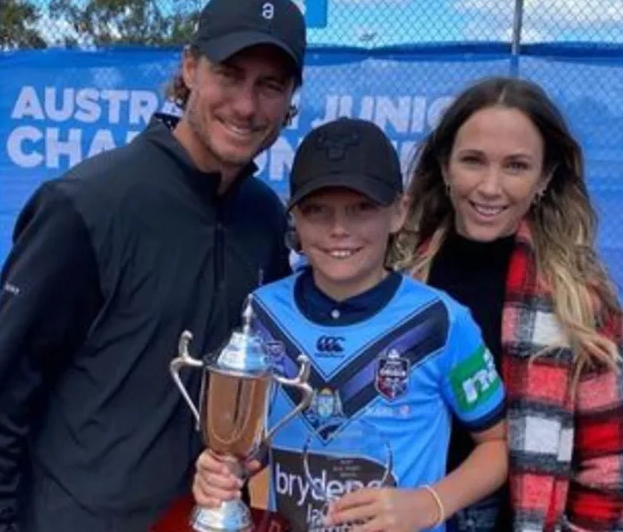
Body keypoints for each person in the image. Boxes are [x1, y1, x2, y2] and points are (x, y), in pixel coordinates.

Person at [0, 0, 307, 532]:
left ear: (290, 100)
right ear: (189, 69)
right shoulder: (86, 205)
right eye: (229, 74)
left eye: (270, 86)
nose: (245, 105)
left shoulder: (262, 220)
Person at [191, 117, 509, 532]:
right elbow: (256, 445)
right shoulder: (262, 312)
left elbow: (498, 445)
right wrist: (222, 471)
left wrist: (429, 504)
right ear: (295, 221)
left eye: (362, 208)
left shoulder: (442, 321)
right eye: (317, 211)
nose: (339, 229)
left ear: (399, 211)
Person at [395, 76, 623, 532]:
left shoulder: (578, 297)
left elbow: (614, 460)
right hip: (400, 511)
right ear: (446, 165)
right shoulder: (396, 269)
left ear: (545, 177)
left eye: (516, 166)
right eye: (473, 161)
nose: (491, 187)